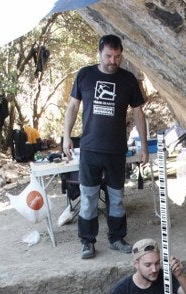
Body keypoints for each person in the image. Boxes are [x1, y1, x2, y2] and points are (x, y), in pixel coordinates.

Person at [62, 34, 148, 260]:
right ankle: (87, 242)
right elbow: (72, 107)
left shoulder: (128, 80)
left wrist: (145, 147)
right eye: (108, 56)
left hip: (116, 150)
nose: (113, 61)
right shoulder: (85, 75)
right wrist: (66, 136)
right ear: (99, 53)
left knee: (116, 197)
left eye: (117, 56)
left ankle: (117, 238)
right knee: (88, 196)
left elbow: (138, 112)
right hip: (90, 148)